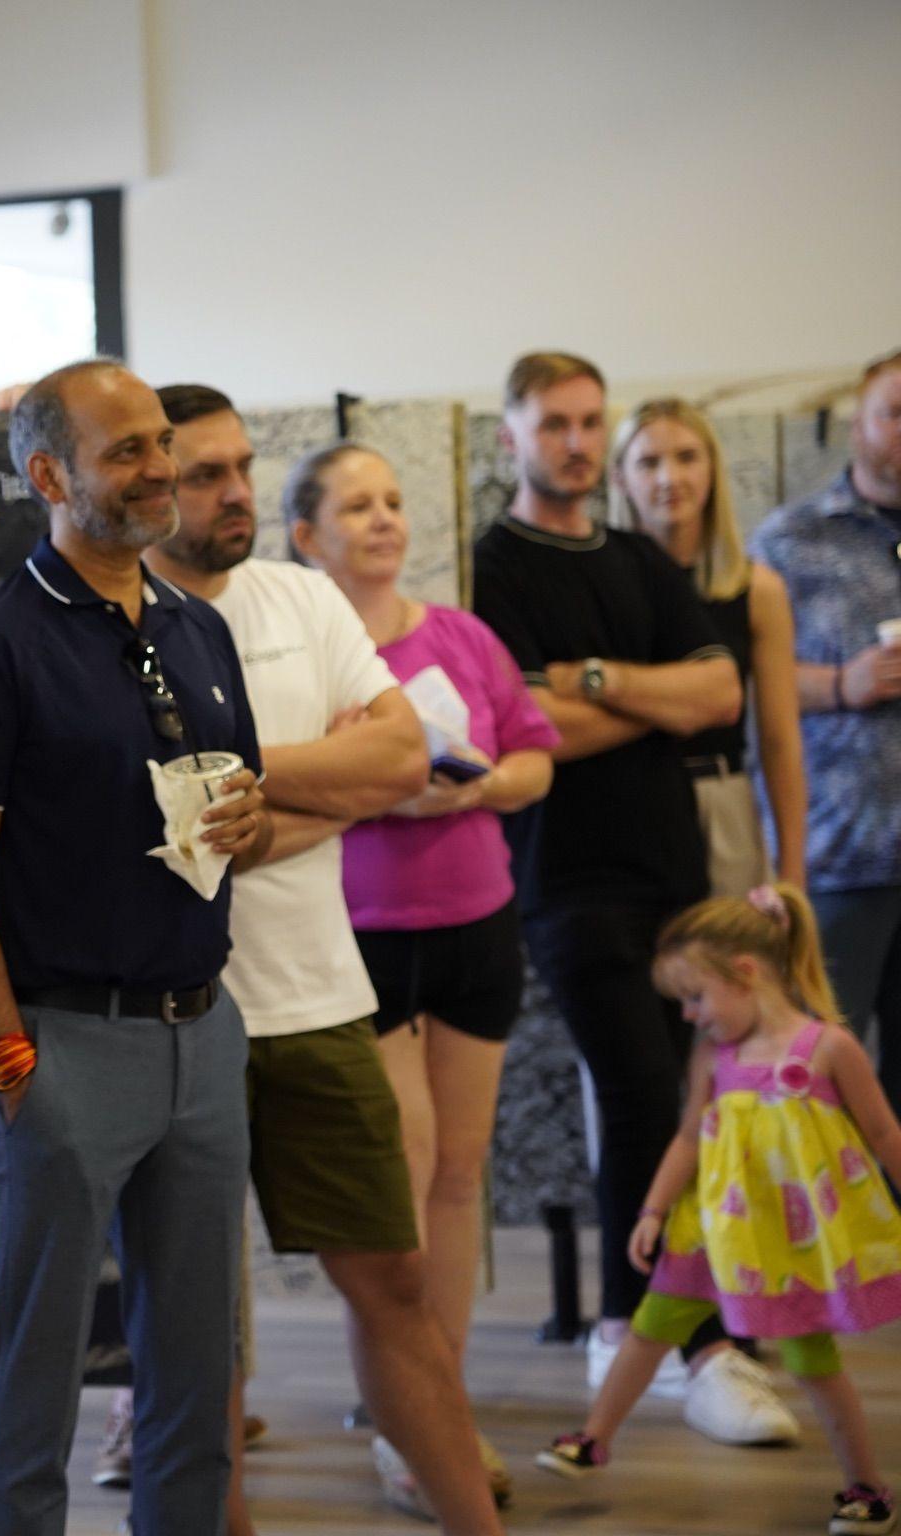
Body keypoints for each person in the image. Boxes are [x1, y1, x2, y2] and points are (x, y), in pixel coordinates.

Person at [133, 387, 505, 1536]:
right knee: (193, 1322)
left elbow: (400, 756)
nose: (236, 491)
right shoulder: (108, 620)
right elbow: (152, 837)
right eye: (203, 474)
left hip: (319, 1006)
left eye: (242, 467)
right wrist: (327, 786)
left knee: (391, 1282)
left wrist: (243, 785)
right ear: (141, 485)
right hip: (170, 1017)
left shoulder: (300, 594)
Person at [0, 359, 270, 1536]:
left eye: (159, 442)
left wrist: (254, 822)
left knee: (193, 1376)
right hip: (60, 1043)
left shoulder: (198, 630)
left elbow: (237, 820)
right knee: (37, 1380)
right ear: (46, 475)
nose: (160, 468)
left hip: (199, 1036)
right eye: (127, 450)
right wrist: (10, 1059)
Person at [471, 350, 799, 1445]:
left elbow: (717, 696)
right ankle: (662, 1334)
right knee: (641, 1092)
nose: (572, 441)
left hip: (673, 880)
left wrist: (590, 680)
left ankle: (660, 1326)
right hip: (566, 880)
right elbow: (525, 727)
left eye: (584, 421)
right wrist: (636, 702)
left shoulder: (634, 559)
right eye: (551, 424)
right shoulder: (492, 568)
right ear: (510, 437)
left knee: (685, 1100)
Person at [286, 443, 559, 1442]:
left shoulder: (462, 636)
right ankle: (403, 1402)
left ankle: (434, 1395)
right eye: (356, 506)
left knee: (458, 1171)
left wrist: (477, 786)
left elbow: (533, 756)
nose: (384, 519)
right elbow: (286, 784)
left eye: (392, 502)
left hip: (476, 927)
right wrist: (380, 793)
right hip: (361, 941)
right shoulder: (305, 656)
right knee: (399, 1176)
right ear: (305, 536)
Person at [538, 884, 901, 1536]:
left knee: (813, 1362)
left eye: (695, 997)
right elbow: (686, 1136)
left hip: (787, 1247)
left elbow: (884, 1135)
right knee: (651, 1326)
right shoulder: (714, 1054)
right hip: (711, 1232)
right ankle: (593, 1438)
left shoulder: (827, 1048)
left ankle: (867, 1487)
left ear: (747, 973)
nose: (686, 1015)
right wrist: (651, 1211)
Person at [751, 349, 901, 1121]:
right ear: (858, 423)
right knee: (820, 1082)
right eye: (895, 412)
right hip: (841, 857)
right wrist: (842, 684)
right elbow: (748, 684)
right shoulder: (790, 539)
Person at [610, 398, 808, 893]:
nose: (669, 478)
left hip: (723, 799)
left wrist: (793, 872)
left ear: (713, 469)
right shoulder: (605, 587)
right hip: (625, 801)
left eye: (686, 457)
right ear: (619, 478)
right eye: (649, 462)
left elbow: (781, 739)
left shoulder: (755, 589)